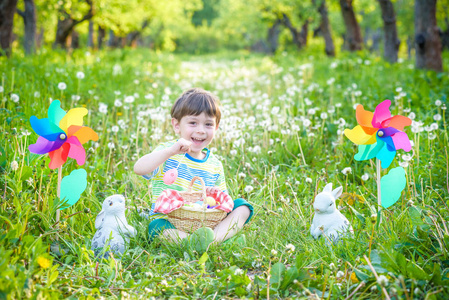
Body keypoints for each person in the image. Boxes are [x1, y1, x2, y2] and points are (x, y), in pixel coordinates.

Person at [134, 88, 253, 247]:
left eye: (208, 124)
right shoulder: (168, 153)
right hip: (170, 222)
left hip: (205, 223)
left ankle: (212, 240)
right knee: (157, 228)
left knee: (243, 207)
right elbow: (139, 168)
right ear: (177, 125)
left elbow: (224, 205)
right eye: (193, 122)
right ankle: (201, 242)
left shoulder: (215, 164)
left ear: (216, 127)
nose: (201, 130)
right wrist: (170, 152)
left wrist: (215, 196)